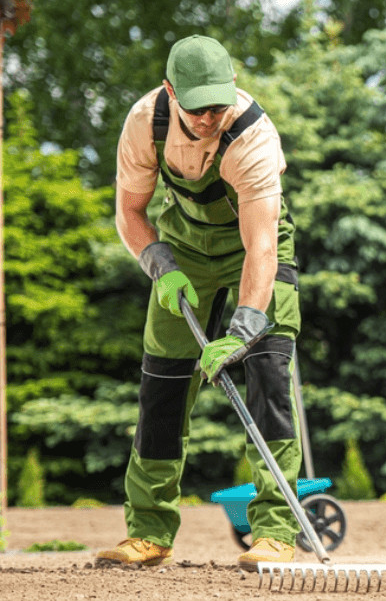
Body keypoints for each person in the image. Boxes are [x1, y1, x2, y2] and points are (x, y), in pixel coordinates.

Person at [96, 35, 302, 571]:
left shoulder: (252, 135)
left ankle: (277, 532)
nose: (210, 117)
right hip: (183, 249)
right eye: (198, 107)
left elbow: (260, 246)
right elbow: (130, 213)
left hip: (254, 250)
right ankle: (149, 532)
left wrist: (245, 327)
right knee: (161, 385)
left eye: (218, 104)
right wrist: (159, 266)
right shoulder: (145, 124)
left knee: (268, 378)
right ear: (170, 92)